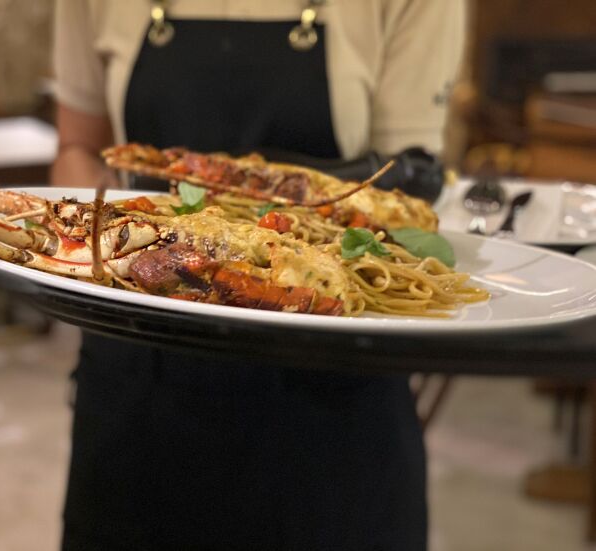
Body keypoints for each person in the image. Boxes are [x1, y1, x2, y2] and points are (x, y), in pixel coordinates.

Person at [51, 1, 465, 549]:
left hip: (331, 408)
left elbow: (402, 196)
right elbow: (79, 147)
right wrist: (94, 242)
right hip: (135, 386)